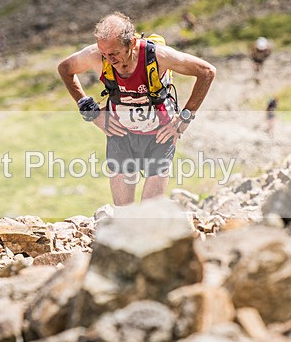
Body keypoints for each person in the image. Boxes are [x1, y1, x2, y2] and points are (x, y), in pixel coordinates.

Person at [57, 12, 216, 206]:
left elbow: (207, 72)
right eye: (104, 53)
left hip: (161, 135)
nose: (109, 59)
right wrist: (91, 112)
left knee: (148, 212)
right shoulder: (97, 56)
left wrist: (184, 118)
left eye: (114, 53)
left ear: (132, 43)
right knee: (124, 211)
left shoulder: (157, 56)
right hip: (120, 134)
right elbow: (65, 69)